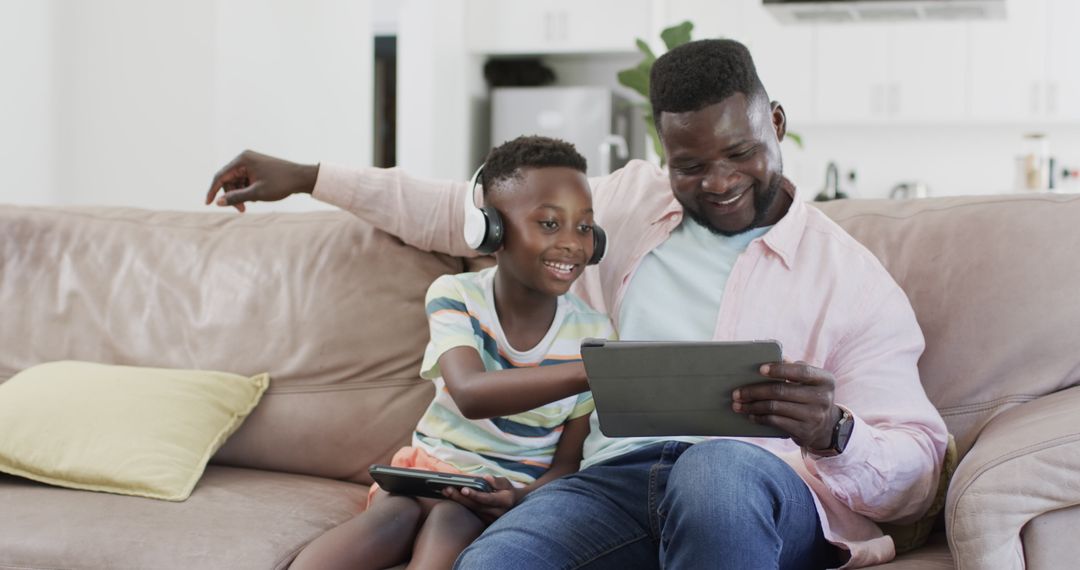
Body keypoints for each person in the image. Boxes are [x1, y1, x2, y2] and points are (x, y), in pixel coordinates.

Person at [207, 40, 948, 569]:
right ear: (664, 151)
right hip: (614, 485)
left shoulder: (850, 279)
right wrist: (306, 174)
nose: (719, 181)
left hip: (753, 494)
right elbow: (458, 210)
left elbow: (918, 473)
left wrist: (834, 431)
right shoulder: (621, 205)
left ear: (776, 124)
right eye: (691, 165)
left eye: (741, 153)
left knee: (715, 470)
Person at [285, 136, 615, 570]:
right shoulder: (455, 295)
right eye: (550, 224)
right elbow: (471, 393)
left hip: (498, 493)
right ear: (490, 230)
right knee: (395, 515)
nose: (573, 243)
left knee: (451, 520)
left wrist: (518, 498)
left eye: (585, 226)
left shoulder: (593, 332)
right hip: (426, 471)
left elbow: (567, 464)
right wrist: (590, 372)